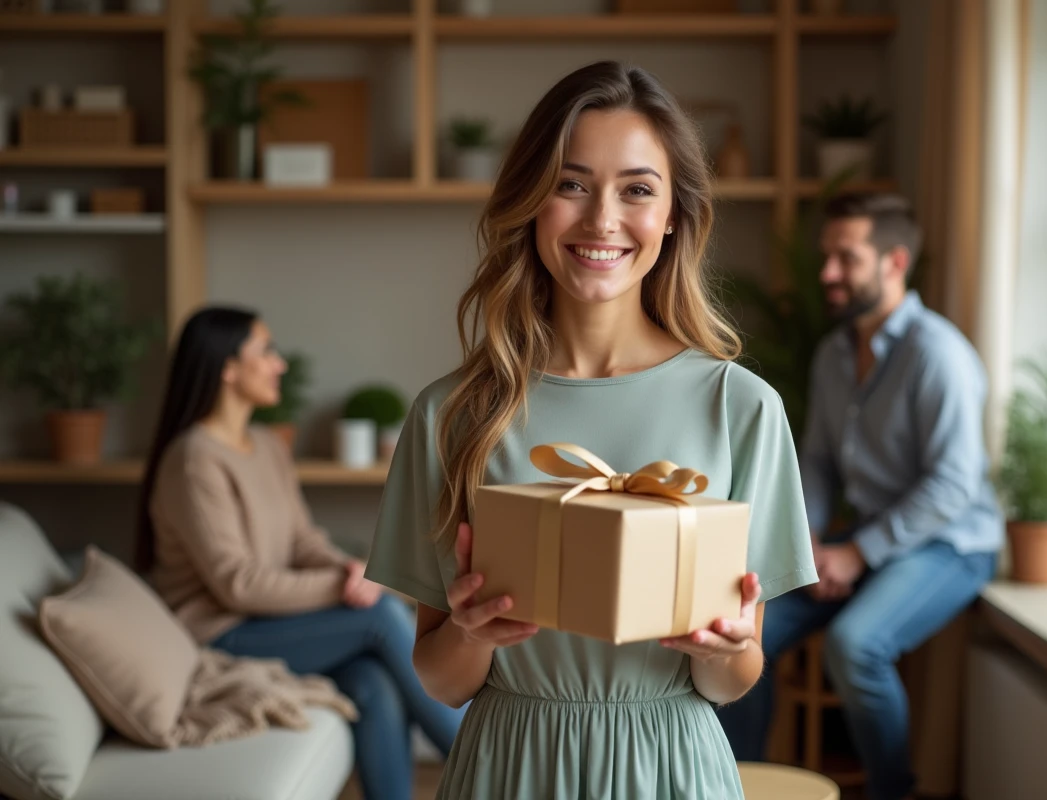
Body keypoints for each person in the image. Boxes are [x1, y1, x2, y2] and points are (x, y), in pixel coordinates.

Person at [364, 60, 817, 799]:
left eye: (637, 189)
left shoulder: (741, 408)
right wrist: (472, 636)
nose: (602, 219)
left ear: (673, 214)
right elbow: (441, 682)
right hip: (508, 769)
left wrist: (725, 649)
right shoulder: (452, 415)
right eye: (571, 185)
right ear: (532, 202)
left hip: (672, 768)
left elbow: (735, 680)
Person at [716, 192, 1003, 800]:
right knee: (744, 626)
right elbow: (817, 459)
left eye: (845, 259)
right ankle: (734, 782)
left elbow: (954, 484)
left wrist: (859, 553)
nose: (827, 274)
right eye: (827, 258)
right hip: (861, 536)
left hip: (950, 544)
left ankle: (892, 792)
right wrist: (811, 543)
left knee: (856, 646)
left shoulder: (939, 355)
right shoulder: (833, 352)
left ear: (894, 261)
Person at [134, 306, 466, 800]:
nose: (279, 364)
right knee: (380, 616)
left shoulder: (266, 445)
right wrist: (349, 587)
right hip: (217, 634)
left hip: (271, 624)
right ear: (227, 368)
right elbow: (237, 583)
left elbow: (300, 539)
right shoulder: (193, 459)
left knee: (372, 682)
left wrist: (348, 569)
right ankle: (486, 765)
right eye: (264, 351)